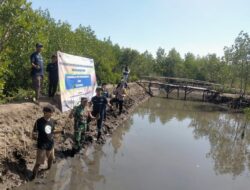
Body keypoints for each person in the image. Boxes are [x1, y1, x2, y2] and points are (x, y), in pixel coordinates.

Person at [32, 105, 63, 179]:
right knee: (39, 163)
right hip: (42, 144)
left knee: (51, 158)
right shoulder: (38, 121)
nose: (52, 114)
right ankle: (33, 177)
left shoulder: (52, 121)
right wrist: (35, 136)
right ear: (45, 112)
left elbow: (53, 131)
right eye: (51, 112)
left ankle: (49, 169)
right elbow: (34, 133)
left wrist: (61, 131)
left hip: (50, 143)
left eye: (52, 112)